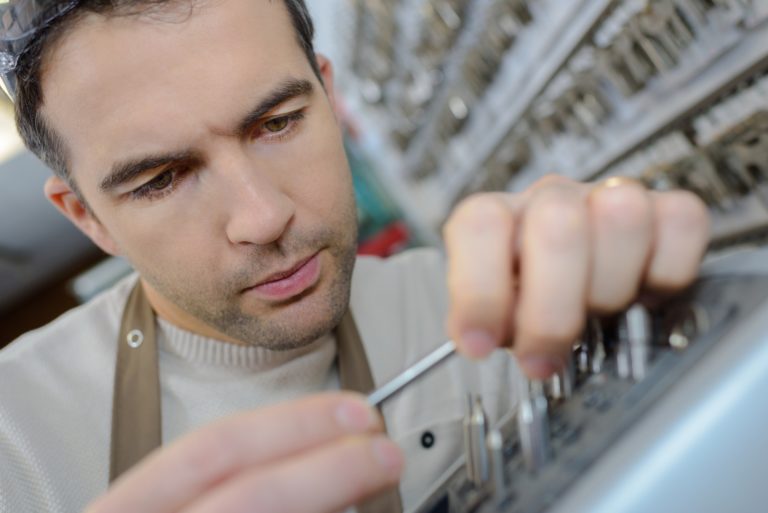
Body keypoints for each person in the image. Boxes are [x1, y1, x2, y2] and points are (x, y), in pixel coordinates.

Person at [0, 0, 710, 512]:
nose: (263, 215)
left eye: (278, 122)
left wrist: (653, 302)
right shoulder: (18, 439)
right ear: (88, 217)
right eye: (161, 179)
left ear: (330, 97)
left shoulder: (490, 311)